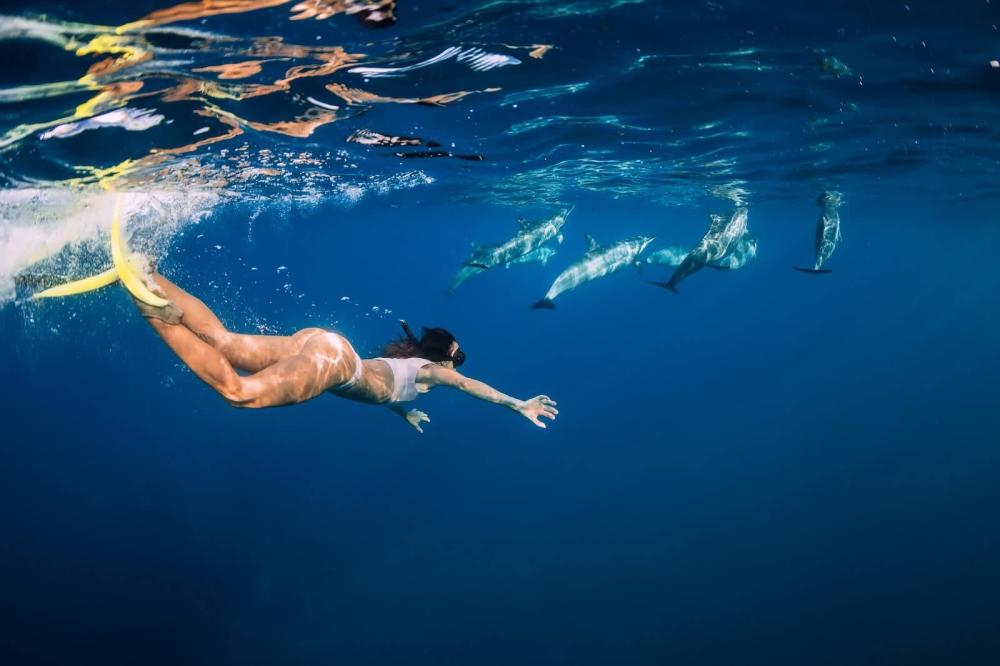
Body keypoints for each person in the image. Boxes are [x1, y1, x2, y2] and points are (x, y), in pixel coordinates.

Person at [134, 272, 559, 432]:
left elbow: (386, 388)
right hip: (335, 363)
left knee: (224, 341)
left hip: (323, 342)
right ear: (445, 356)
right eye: (457, 357)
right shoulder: (434, 371)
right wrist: (515, 404)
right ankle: (149, 308)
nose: (457, 366)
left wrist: (402, 412)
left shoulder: (407, 362)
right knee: (238, 393)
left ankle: (149, 275)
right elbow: (469, 385)